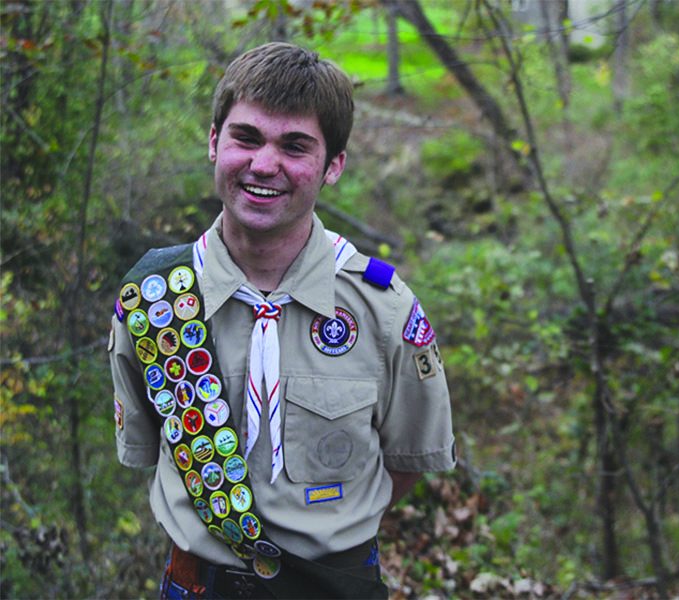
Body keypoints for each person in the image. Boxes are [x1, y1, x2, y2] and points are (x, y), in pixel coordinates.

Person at [108, 42, 456, 600]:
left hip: (334, 586)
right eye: (246, 137)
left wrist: (328, 524)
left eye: (295, 146)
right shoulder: (154, 301)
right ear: (214, 141)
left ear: (333, 165)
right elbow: (148, 453)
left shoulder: (384, 309)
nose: (264, 164)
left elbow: (407, 462)